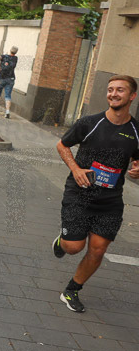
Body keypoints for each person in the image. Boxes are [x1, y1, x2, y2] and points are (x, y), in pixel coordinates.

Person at [51, 76, 139, 313]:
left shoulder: (136, 130)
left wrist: (137, 169)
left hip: (110, 200)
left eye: (120, 90)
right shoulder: (90, 123)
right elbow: (62, 145)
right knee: (73, 247)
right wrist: (76, 169)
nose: (113, 94)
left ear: (132, 96)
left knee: (98, 249)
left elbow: (137, 158)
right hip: (80, 194)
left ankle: (71, 290)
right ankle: (62, 241)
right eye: (110, 90)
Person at [0, 46, 18, 118]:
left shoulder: (4, 56)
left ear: (10, 50)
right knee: (8, 96)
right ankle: (7, 112)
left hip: (1, 78)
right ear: (15, 52)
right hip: (11, 79)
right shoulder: (15, 58)